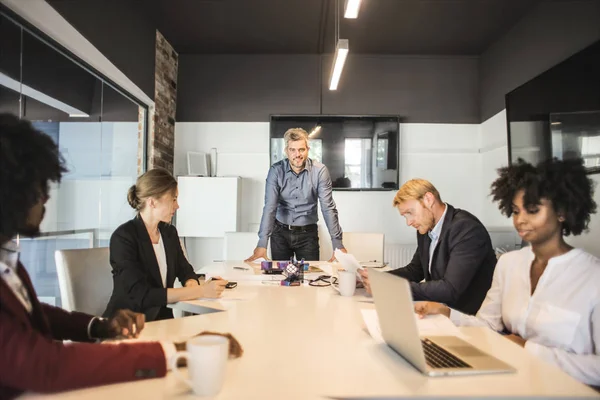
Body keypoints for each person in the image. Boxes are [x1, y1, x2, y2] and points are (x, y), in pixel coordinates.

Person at [0, 114, 170, 397]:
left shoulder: (7, 260)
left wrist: (100, 327)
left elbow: (32, 313)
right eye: (39, 186)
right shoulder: (125, 236)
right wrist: (172, 354)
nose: (46, 198)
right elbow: (47, 366)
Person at [415, 158, 599, 387]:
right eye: (515, 211)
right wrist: (446, 312)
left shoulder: (592, 278)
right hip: (509, 380)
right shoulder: (509, 264)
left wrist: (529, 348)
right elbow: (489, 327)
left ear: (562, 212)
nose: (520, 220)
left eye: (532, 211)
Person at [103, 168, 227, 322]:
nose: (177, 206)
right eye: (173, 199)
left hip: (162, 320)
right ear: (152, 202)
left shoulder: (169, 233)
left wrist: (191, 285)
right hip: (128, 324)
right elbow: (143, 295)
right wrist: (200, 291)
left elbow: (185, 270)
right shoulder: (123, 237)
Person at [359, 179, 496, 315]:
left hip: (467, 321)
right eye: (405, 216)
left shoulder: (466, 229)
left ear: (428, 199)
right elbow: (414, 271)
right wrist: (378, 279)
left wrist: (390, 287)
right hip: (438, 312)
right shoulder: (427, 227)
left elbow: (450, 289)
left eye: (410, 213)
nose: (409, 222)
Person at [245, 128, 346, 262]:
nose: (297, 154)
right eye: (292, 150)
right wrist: (262, 243)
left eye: (301, 149)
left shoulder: (320, 171)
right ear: (286, 151)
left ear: (308, 149)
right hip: (280, 233)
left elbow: (328, 208)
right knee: (279, 279)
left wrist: (337, 244)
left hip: (308, 235)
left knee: (310, 279)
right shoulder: (276, 171)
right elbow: (270, 207)